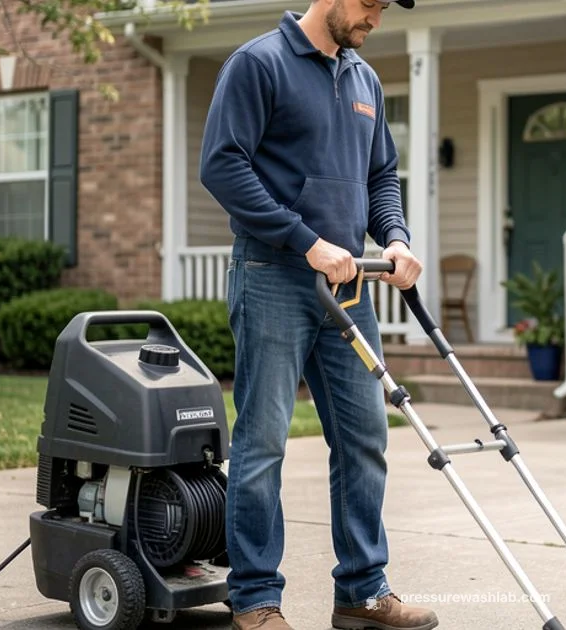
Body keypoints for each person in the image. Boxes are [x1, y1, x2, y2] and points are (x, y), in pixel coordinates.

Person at [198, 1, 437, 629]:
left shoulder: (365, 79)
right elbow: (222, 165)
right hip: (272, 275)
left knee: (366, 437)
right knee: (263, 442)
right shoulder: (259, 64)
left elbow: (381, 175)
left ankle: (362, 593)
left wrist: (395, 237)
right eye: (369, 4)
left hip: (348, 287)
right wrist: (304, 240)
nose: (375, 19)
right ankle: (255, 600)